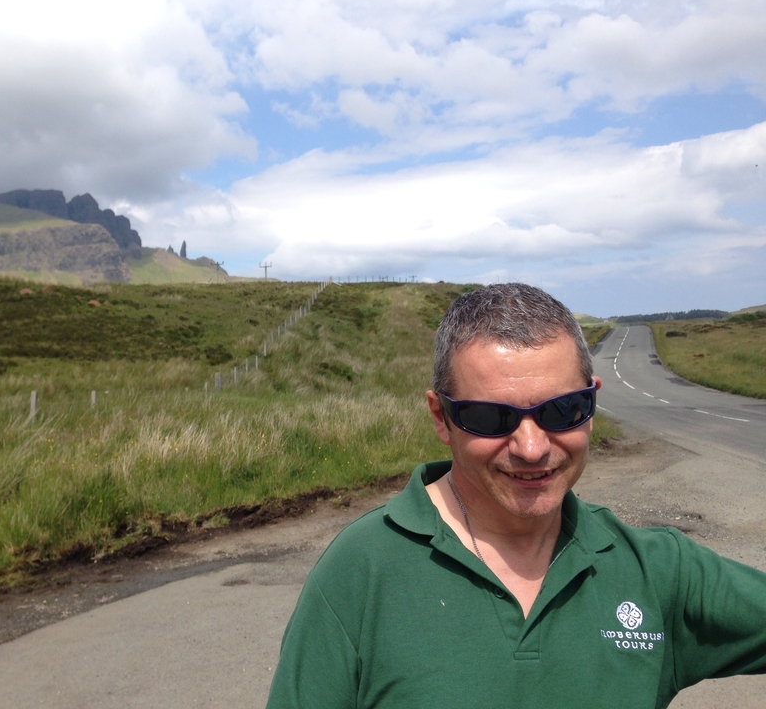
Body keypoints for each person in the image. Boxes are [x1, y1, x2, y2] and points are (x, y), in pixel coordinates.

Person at [266, 282, 766, 709]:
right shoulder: (360, 571)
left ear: (592, 402)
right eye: (491, 418)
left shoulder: (658, 571)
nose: (532, 448)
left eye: (562, 410)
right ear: (441, 418)